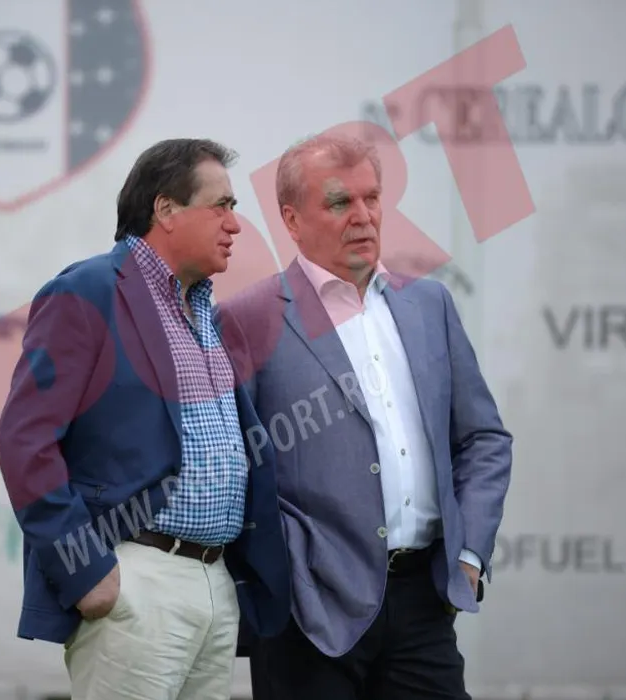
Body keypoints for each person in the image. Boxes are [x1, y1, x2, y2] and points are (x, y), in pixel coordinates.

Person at [216, 133, 513, 699]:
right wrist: (282, 572)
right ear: (291, 219)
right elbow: (231, 463)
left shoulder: (429, 304)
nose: (363, 216)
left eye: (371, 198)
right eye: (339, 202)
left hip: (423, 602)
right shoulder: (248, 319)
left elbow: (483, 439)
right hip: (308, 615)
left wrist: (469, 555)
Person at [0, 138, 291, 700]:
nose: (235, 224)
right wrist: (86, 571)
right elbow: (24, 440)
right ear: (166, 209)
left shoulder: (205, 311)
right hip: (135, 582)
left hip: (213, 585)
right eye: (221, 206)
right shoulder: (87, 292)